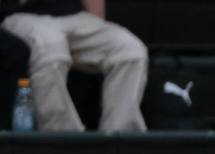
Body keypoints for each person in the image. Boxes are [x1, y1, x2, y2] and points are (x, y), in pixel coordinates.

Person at [1, 0, 148, 131]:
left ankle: (118, 140)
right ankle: (65, 140)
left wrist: (97, 24)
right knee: (51, 48)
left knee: (130, 50)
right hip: (20, 15)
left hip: (73, 15)